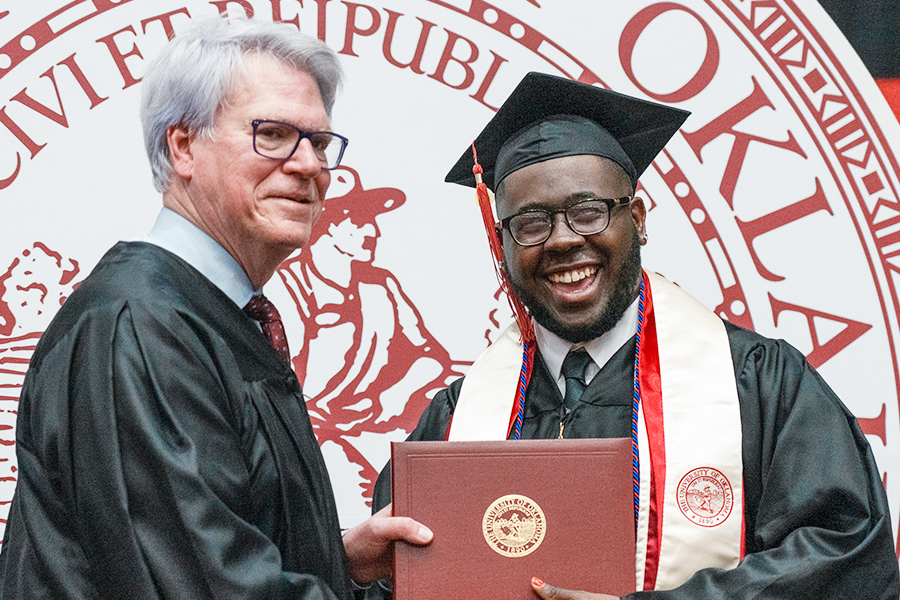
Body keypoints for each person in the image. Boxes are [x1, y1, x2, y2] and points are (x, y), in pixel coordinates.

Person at [371, 72, 899, 599]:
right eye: (530, 223)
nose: (562, 241)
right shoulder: (455, 421)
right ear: (501, 243)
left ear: (639, 219)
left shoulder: (756, 384)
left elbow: (846, 552)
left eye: (588, 212)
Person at [0, 15, 431, 599]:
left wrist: (342, 561)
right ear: (183, 146)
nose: (309, 166)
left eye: (320, 142)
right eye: (273, 134)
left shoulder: (210, 315)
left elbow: (209, 543)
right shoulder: (142, 327)